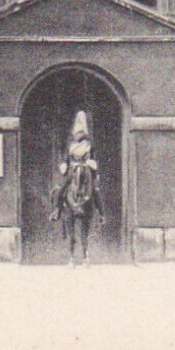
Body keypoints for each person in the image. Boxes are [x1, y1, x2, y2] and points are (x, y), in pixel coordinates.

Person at [50, 111, 102, 266]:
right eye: (77, 131)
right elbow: (65, 160)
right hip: (73, 171)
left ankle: (101, 213)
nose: (79, 134)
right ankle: (56, 210)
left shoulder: (89, 145)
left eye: (81, 132)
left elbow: (93, 160)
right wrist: (65, 166)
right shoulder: (71, 146)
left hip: (85, 171)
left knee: (95, 191)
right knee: (60, 189)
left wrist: (93, 168)